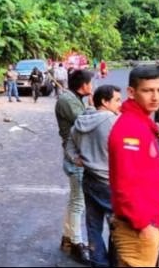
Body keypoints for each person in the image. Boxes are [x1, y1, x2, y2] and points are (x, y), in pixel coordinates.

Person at [108, 65, 159, 267]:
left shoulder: (142, 124)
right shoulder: (130, 129)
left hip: (148, 223)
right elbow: (126, 184)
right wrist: (144, 224)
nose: (155, 97)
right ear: (131, 92)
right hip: (137, 228)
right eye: (147, 90)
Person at [65, 85, 122, 267]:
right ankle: (114, 262)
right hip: (109, 182)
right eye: (117, 100)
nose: (120, 104)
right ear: (105, 102)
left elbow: (69, 147)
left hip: (89, 179)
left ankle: (99, 262)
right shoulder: (113, 121)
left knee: (93, 225)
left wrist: (78, 159)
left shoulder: (81, 121)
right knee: (118, 227)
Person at [55, 69, 94, 264]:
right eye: (90, 83)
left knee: (75, 200)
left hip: (77, 153)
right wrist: (95, 107)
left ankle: (67, 238)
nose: (92, 86)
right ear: (83, 84)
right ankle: (77, 243)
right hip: (75, 156)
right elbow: (86, 122)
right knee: (79, 202)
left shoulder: (75, 99)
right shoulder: (67, 100)